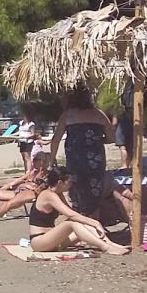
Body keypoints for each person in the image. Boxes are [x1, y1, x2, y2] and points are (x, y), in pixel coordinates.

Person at [26, 167, 128, 255]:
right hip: (39, 242)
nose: (71, 185)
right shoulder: (48, 195)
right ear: (60, 182)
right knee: (72, 223)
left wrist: (89, 223)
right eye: (69, 182)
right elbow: (71, 215)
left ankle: (110, 244)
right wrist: (95, 222)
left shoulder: (58, 194)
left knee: (82, 224)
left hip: (53, 240)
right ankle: (106, 248)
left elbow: (72, 213)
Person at [46, 85, 113, 216]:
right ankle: (94, 221)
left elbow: (56, 139)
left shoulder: (68, 115)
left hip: (75, 159)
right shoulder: (99, 114)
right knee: (94, 190)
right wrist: (95, 141)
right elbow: (111, 138)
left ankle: (80, 222)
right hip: (95, 159)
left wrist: (52, 159)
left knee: (76, 189)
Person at [0, 152, 50, 223]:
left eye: (36, 160)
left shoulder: (46, 174)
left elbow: (42, 189)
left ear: (42, 162)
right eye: (34, 160)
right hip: (16, 192)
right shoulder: (32, 172)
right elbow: (19, 180)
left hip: (28, 193)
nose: (33, 162)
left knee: (8, 204)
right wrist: (6, 187)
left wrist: (28, 186)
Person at [114, 86, 134, 169]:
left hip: (124, 119)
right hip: (134, 118)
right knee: (130, 146)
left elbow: (115, 117)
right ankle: (131, 165)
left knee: (123, 146)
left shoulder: (122, 89)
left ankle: (124, 166)